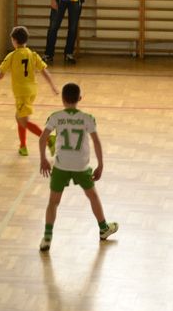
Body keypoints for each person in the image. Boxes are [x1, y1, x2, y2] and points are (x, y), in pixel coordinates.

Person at [38, 82, 118, 251]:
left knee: (53, 202)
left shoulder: (55, 117)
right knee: (93, 196)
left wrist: (43, 159)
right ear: (80, 98)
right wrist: (101, 165)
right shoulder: (87, 118)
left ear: (62, 99)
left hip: (61, 165)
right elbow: (96, 142)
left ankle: (47, 237)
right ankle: (103, 228)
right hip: (81, 166)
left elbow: (42, 138)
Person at [0, 26, 59, 156]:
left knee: (23, 121)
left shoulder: (12, 56)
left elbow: (1, 74)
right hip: (32, 91)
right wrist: (52, 86)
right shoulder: (33, 55)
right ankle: (23, 146)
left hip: (21, 93)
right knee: (19, 117)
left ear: (14, 40)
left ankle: (48, 139)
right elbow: (44, 72)